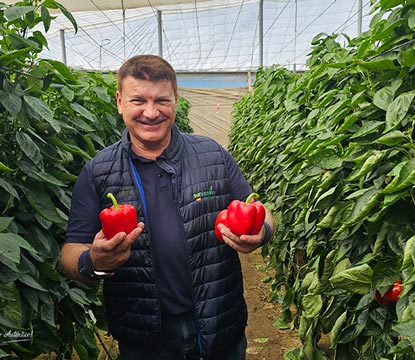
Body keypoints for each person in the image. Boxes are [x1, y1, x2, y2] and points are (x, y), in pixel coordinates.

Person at [60, 54, 275, 360]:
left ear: (176, 100)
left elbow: (261, 210)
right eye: (138, 101)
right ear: (120, 102)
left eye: (162, 100)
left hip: (218, 326)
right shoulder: (97, 172)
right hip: (145, 338)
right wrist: (93, 260)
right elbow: (70, 252)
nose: (151, 112)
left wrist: (263, 232)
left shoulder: (212, 155)